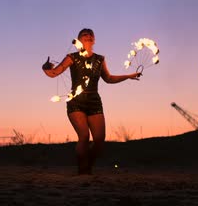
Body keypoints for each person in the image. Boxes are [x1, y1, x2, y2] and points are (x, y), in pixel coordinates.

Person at [42, 28, 141, 175]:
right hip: (76, 101)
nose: (87, 36)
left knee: (99, 141)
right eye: (84, 34)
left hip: (94, 100)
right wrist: (46, 68)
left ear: (94, 40)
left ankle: (87, 164)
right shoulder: (72, 57)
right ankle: (83, 169)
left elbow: (108, 78)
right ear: (79, 40)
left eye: (90, 34)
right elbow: (54, 73)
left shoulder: (100, 59)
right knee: (84, 136)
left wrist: (128, 76)